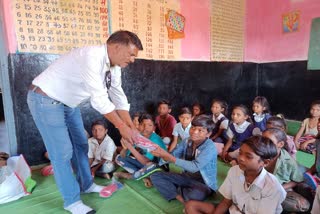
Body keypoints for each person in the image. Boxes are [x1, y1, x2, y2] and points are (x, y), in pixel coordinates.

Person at [27, 30, 143, 214]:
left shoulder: (114, 67)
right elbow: (99, 100)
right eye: (131, 54)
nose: (133, 59)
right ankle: (71, 202)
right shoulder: (91, 56)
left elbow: (118, 96)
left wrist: (131, 127)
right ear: (116, 47)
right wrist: (121, 128)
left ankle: (87, 185)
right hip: (46, 100)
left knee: (81, 145)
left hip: (68, 103)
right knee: (62, 153)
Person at [184, 136, 286, 214]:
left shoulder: (272, 187)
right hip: (234, 210)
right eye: (240, 153)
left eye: (248, 156)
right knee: (191, 206)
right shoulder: (234, 171)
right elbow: (226, 202)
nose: (241, 158)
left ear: (265, 162)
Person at [150, 115, 218, 204]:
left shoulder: (210, 147)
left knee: (195, 195)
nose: (195, 132)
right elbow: (174, 155)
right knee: (155, 176)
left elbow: (194, 167)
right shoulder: (187, 141)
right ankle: (180, 198)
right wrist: (162, 155)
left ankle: (174, 189)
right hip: (186, 177)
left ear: (208, 134)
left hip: (203, 183)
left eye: (200, 130)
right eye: (193, 128)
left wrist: (169, 157)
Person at [263, 128, 310, 213]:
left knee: (303, 205)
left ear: (280, 144)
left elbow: (297, 180)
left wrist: (280, 188)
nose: (264, 144)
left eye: (269, 141)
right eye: (262, 140)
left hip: (280, 189)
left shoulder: (288, 161)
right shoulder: (258, 154)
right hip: (259, 187)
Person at [114, 113, 167, 182]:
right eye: (142, 124)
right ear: (138, 126)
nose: (146, 128)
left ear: (154, 128)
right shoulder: (138, 136)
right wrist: (125, 147)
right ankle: (144, 176)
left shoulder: (155, 140)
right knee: (119, 158)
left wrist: (130, 147)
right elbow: (123, 155)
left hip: (158, 168)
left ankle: (129, 175)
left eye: (150, 125)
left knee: (150, 165)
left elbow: (147, 162)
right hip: (144, 165)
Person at [304, 117, 320, 190]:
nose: (319, 124)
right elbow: (317, 163)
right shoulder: (317, 141)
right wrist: (307, 174)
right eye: (319, 122)